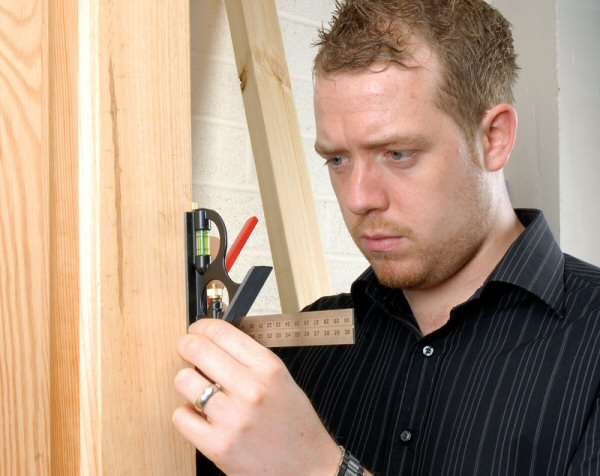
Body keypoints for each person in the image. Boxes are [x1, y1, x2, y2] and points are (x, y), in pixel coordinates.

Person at [172, 1, 600, 474]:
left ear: (493, 138)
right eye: (337, 159)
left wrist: (316, 467)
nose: (359, 198)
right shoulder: (296, 357)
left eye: (397, 153)